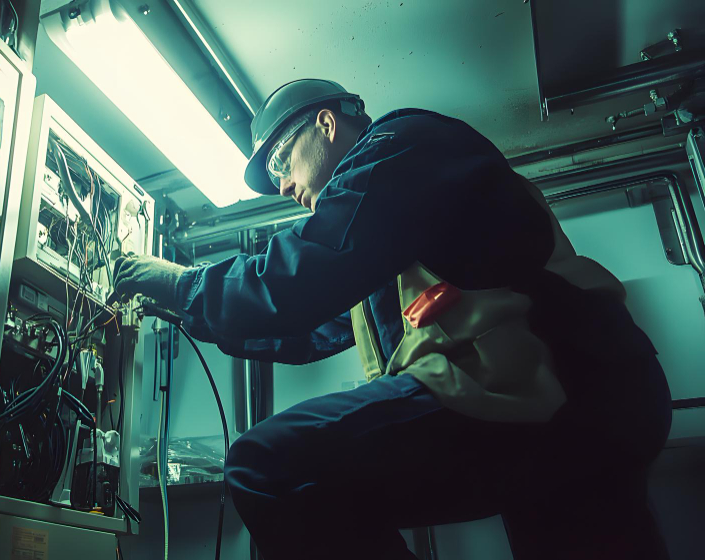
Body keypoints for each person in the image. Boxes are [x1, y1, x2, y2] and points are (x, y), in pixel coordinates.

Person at [110, 79, 672, 559]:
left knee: (266, 466)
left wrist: (182, 283)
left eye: (282, 159)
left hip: (571, 381)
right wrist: (184, 307)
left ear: (326, 125)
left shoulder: (402, 145)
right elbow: (308, 326)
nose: (281, 185)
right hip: (580, 402)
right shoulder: (389, 230)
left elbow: (300, 279)